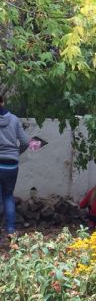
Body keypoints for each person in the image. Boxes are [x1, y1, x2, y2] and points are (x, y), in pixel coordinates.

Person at [0, 95, 29, 237]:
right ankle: (10, 230)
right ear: (3, 102)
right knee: (8, 196)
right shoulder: (14, 119)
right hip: (11, 165)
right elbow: (25, 142)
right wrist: (16, 153)